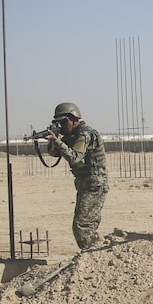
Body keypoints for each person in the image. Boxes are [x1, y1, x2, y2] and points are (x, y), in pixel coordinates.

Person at [40, 102, 108, 250]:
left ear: (74, 118)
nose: (63, 126)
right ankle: (97, 251)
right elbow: (55, 153)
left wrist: (58, 141)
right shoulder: (72, 136)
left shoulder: (85, 134)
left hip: (94, 185)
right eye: (59, 123)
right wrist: (54, 140)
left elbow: (75, 157)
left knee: (82, 227)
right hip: (85, 185)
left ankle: (96, 254)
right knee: (83, 225)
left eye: (65, 122)